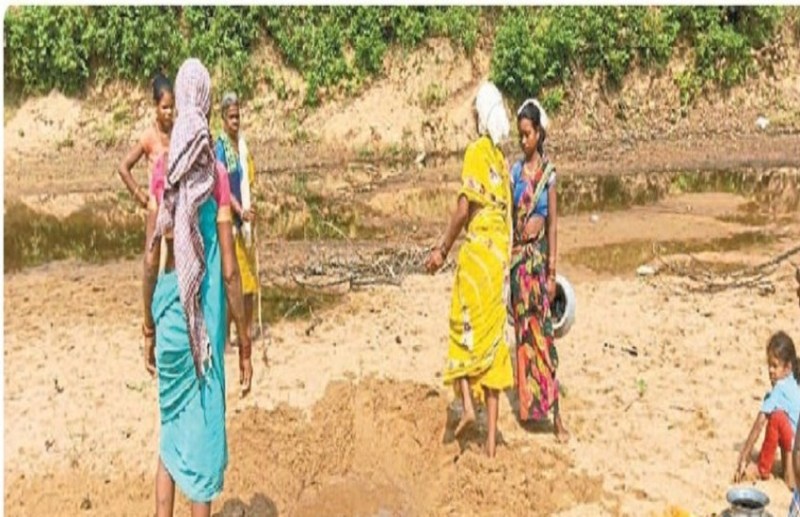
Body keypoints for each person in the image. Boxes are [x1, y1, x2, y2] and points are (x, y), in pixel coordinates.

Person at [141, 58, 253, 517]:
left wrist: (148, 327)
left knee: (170, 432)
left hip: (169, 314)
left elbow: (151, 259)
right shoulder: (216, 175)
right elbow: (229, 270)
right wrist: (244, 342)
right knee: (202, 435)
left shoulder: (163, 171)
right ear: (205, 108)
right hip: (202, 323)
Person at [425, 82, 514, 458]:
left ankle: (466, 403)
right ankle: (491, 444)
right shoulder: (501, 161)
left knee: (461, 325)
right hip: (499, 260)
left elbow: (464, 209)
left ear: (480, 115)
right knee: (493, 344)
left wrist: (442, 249)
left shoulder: (477, 152)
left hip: (478, 255)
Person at [509, 98, 569, 443]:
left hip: (538, 265)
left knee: (544, 337)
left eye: (528, 134)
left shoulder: (549, 175)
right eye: (520, 135)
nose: (523, 140)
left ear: (539, 134)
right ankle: (530, 409)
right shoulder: (515, 174)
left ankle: (556, 414)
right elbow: (509, 221)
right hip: (519, 266)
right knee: (523, 338)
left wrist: (552, 273)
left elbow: (553, 226)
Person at [215, 92, 258, 348]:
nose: (235, 121)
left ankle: (248, 329)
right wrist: (240, 211)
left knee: (249, 277)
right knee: (232, 278)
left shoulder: (242, 146)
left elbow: (249, 179)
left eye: (238, 116)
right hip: (229, 222)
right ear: (223, 118)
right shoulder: (220, 148)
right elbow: (223, 187)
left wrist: (251, 208)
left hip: (246, 221)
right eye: (231, 117)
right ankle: (229, 332)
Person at [734, 331, 799, 490]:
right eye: (769, 365)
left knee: (776, 417)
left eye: (775, 366)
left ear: (787, 367)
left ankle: (763, 468)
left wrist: (744, 456)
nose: (770, 370)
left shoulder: (779, 389)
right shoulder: (795, 381)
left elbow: (759, 423)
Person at [119, 73, 174, 208]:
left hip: (176, 208)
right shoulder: (150, 136)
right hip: (156, 209)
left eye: (171, 107)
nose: (169, 112)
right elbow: (123, 168)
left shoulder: (178, 133)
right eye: (164, 107)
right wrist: (140, 197)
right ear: (156, 106)